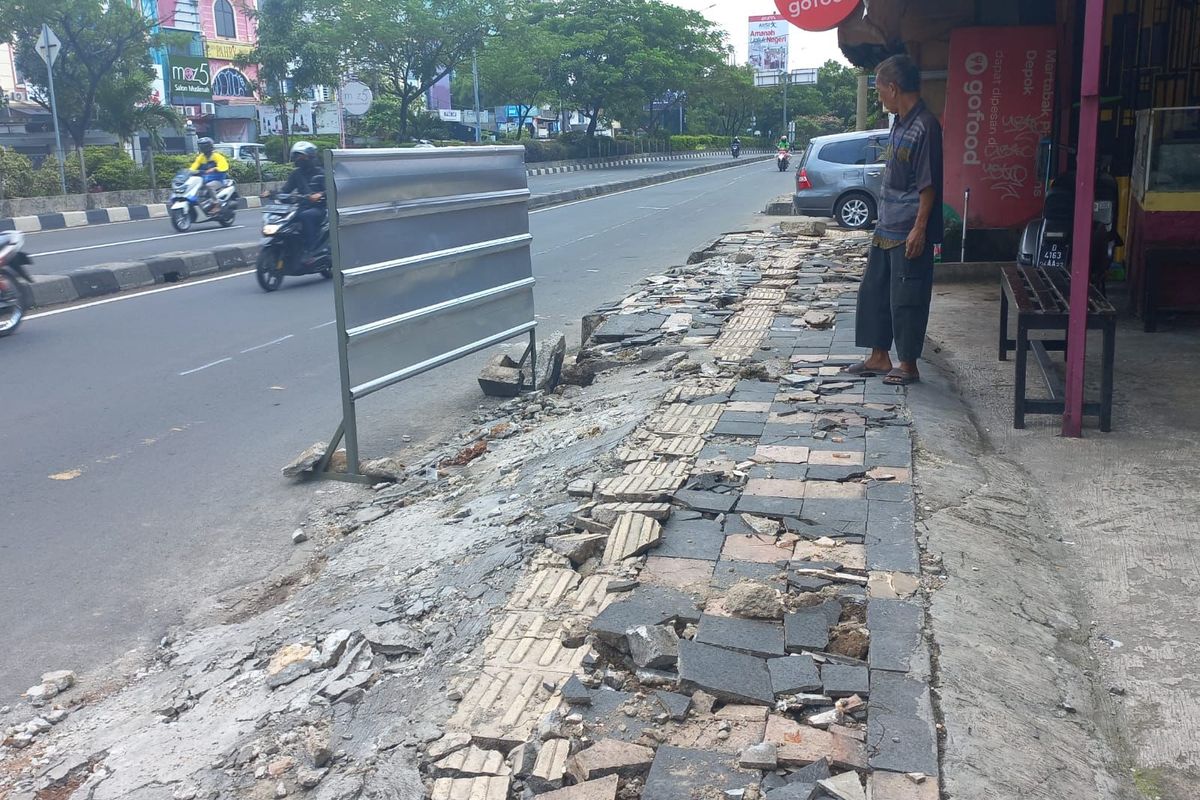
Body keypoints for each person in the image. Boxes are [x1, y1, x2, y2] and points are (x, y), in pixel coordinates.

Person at [847, 53, 943, 386]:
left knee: (907, 297)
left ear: (893, 87)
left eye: (878, 90)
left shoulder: (925, 125)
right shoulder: (900, 123)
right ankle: (878, 356)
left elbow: (928, 184)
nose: (877, 96)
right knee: (874, 292)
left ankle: (908, 364)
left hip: (909, 229)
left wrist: (920, 228)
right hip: (886, 224)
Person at [276, 140, 326, 257]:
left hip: (320, 208)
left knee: (306, 216)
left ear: (310, 157)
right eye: (296, 157)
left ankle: (311, 249)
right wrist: (273, 194)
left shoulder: (321, 173)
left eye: (301, 157)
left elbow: (331, 189)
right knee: (287, 220)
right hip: (302, 206)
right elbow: (286, 190)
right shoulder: (296, 174)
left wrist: (320, 194)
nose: (298, 160)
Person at [188, 138, 229, 211]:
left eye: (204, 146)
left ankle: (217, 204)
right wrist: (190, 171)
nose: (203, 148)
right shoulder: (201, 157)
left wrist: (215, 169)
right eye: (201, 146)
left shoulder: (217, 156)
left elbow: (224, 166)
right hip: (204, 179)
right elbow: (194, 166)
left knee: (209, 186)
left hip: (218, 179)